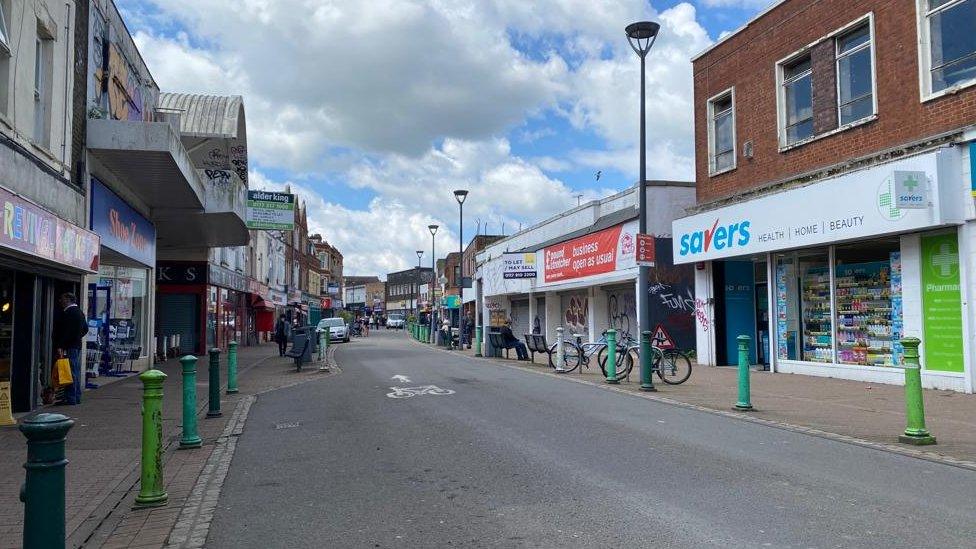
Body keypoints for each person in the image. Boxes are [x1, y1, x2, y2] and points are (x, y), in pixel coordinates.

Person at [54, 292, 88, 405]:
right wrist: (77, 337)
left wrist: (61, 345)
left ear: (68, 299)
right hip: (76, 345)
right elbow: (85, 329)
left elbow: (66, 332)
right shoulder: (80, 313)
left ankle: (71, 398)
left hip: (69, 346)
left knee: (70, 372)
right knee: (75, 371)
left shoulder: (70, 313)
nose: (60, 301)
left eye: (62, 298)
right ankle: (76, 396)